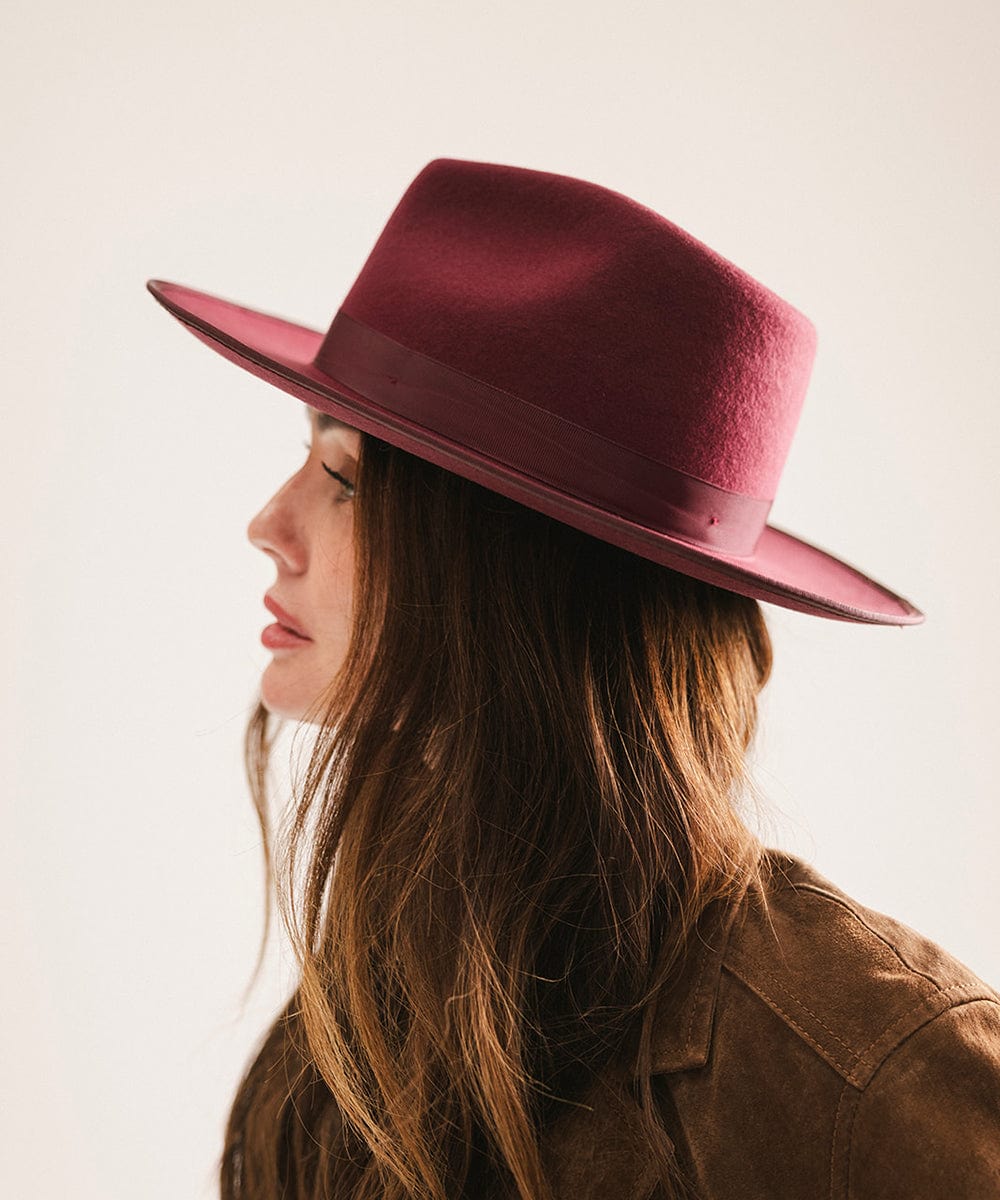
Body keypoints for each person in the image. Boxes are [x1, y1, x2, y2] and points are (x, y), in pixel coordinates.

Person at [147, 159, 1000, 1200]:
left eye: (345, 480)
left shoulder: (870, 1067)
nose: (268, 528)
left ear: (517, 574)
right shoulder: (357, 1026)